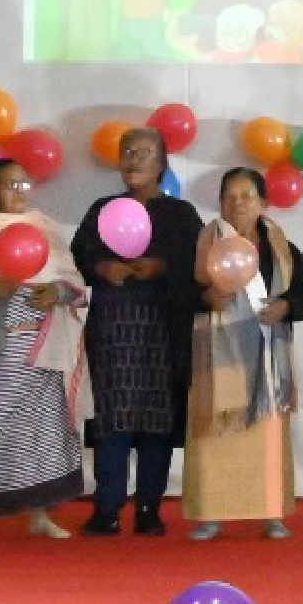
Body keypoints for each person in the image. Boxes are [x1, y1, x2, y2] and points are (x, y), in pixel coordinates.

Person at [70, 130, 205, 536]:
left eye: (145, 153)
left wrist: (162, 267)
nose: (134, 159)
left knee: (158, 419)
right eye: (128, 152)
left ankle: (150, 509)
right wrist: (100, 269)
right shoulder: (101, 209)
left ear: (162, 164)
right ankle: (107, 508)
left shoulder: (181, 215)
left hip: (164, 326)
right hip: (113, 324)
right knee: (112, 417)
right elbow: (79, 257)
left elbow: (197, 268)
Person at [0, 159, 89, 542]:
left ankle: (40, 513)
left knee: (41, 433)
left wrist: (58, 292)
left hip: (46, 348)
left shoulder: (46, 228)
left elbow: (74, 282)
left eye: (24, 184)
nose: (17, 192)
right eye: (8, 185)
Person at [185, 166, 303, 542]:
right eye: (231, 196)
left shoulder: (281, 246)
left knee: (268, 439)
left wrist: (286, 307)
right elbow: (179, 293)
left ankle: (271, 512)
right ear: (220, 202)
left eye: (247, 196)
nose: (238, 203)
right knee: (215, 437)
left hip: (267, 360)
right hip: (217, 358)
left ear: (263, 202)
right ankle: (211, 515)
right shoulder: (204, 242)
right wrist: (206, 298)